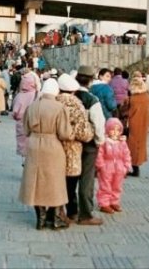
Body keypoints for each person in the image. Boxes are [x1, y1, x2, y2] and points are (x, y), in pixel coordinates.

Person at [18, 79, 73, 230]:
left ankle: (40, 218)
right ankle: (55, 219)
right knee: (55, 183)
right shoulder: (60, 108)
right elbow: (64, 133)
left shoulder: (32, 106)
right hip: (53, 145)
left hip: (35, 145)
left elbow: (26, 129)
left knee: (36, 182)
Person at [56, 74, 93, 224]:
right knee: (71, 183)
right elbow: (84, 133)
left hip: (55, 148)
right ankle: (72, 212)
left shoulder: (54, 102)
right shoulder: (77, 105)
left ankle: (58, 210)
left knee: (57, 181)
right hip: (73, 149)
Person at [73, 65, 106, 226]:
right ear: (91, 80)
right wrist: (100, 142)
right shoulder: (92, 100)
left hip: (70, 141)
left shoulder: (69, 96)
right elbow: (99, 124)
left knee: (70, 177)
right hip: (88, 144)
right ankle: (85, 213)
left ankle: (70, 211)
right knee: (86, 179)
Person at [95, 118, 131, 214]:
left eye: (117, 130)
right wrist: (101, 166)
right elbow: (99, 155)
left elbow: (126, 155)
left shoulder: (122, 143)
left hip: (119, 168)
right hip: (106, 167)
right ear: (107, 130)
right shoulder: (104, 142)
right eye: (112, 129)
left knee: (117, 186)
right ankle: (104, 203)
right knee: (105, 186)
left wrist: (126, 167)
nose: (115, 132)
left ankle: (114, 201)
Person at [127, 76, 149, 177]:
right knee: (140, 145)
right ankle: (137, 167)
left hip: (133, 123)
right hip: (144, 123)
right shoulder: (147, 97)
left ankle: (132, 167)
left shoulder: (132, 98)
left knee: (131, 145)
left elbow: (126, 110)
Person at [12, 75, 37, 164]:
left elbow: (15, 111)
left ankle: (24, 159)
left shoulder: (19, 96)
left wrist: (16, 117)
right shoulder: (36, 95)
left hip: (21, 121)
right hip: (33, 121)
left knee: (23, 141)